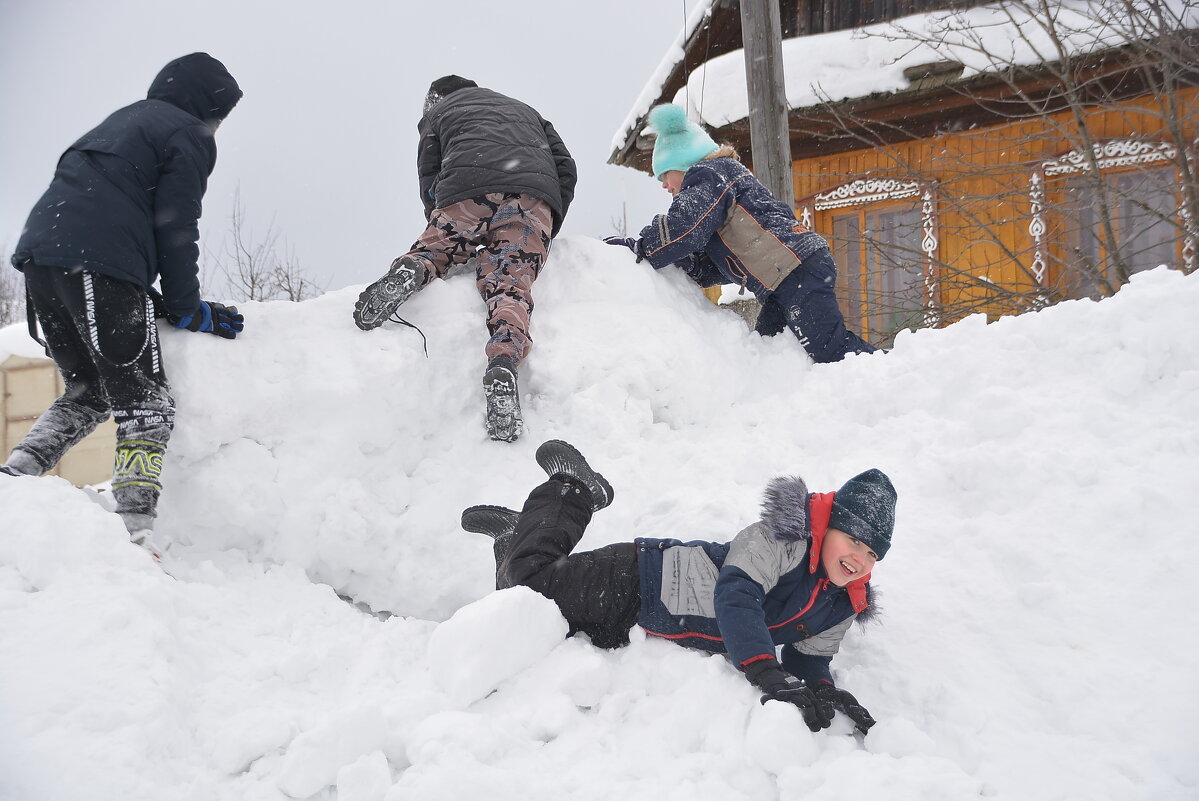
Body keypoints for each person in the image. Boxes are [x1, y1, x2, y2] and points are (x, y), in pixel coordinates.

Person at [461, 439, 897, 734]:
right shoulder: (781, 538)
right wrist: (764, 668)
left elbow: (809, 657)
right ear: (828, 525)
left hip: (644, 624)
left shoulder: (842, 603)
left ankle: (516, 540)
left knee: (541, 632)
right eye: (853, 540)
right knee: (527, 588)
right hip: (640, 577)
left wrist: (822, 688)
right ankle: (573, 489)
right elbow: (737, 597)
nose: (859, 559)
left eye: (872, 554)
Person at [1, 53, 245, 561]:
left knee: (89, 390)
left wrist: (142, 292)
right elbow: (177, 224)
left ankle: (14, 478)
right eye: (221, 116)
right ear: (208, 106)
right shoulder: (188, 133)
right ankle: (135, 530)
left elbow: (102, 204)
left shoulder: (122, 122)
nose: (219, 128)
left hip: (43, 261)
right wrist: (185, 307)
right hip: (97, 262)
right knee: (145, 401)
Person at [354, 75, 577, 443]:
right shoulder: (526, 110)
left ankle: (416, 266)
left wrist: (442, 220)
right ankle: (503, 361)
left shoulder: (440, 113)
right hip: (533, 194)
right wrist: (548, 214)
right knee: (511, 284)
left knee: (438, 247)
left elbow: (430, 173)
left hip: (465, 184)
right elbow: (566, 166)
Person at [604, 103, 876, 364]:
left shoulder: (708, 175)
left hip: (796, 271)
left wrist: (641, 246)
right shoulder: (721, 187)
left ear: (684, 162)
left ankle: (896, 370)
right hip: (784, 277)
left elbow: (684, 225)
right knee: (771, 352)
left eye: (664, 174)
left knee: (829, 349)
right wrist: (694, 266)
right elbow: (731, 254)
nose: (663, 185)